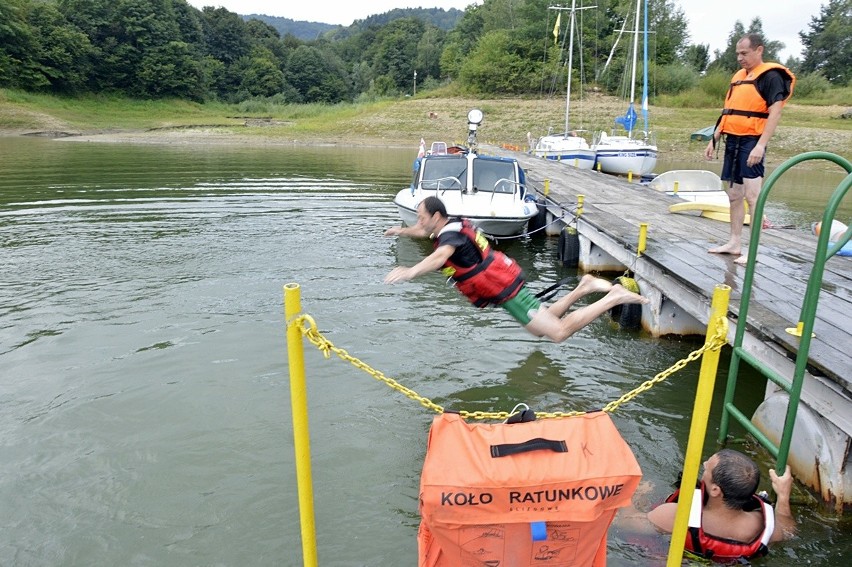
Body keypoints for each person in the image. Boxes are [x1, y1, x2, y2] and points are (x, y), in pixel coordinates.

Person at [383, 196, 648, 343]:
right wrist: (402, 230)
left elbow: (440, 257)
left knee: (557, 333)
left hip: (506, 290)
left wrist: (410, 271)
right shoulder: (449, 226)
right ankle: (584, 287)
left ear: (436, 217)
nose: (419, 222)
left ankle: (612, 297)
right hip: (503, 288)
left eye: (422, 217)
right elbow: (421, 230)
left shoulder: (450, 239)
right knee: (538, 328)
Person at [705, 33, 795, 265]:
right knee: (734, 194)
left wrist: (761, 145)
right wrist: (714, 139)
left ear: (759, 50)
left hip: (752, 141)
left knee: (753, 197)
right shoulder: (739, 77)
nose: (740, 58)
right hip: (732, 140)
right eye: (737, 53)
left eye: (744, 53)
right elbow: (729, 111)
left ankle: (753, 250)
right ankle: (734, 243)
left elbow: (775, 112)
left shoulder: (771, 76)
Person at [640, 449, 797, 562]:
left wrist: (638, 494)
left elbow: (625, 522)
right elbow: (788, 532)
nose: (704, 463)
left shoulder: (674, 516)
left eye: (707, 468)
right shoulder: (763, 526)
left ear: (715, 490)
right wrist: (783, 496)